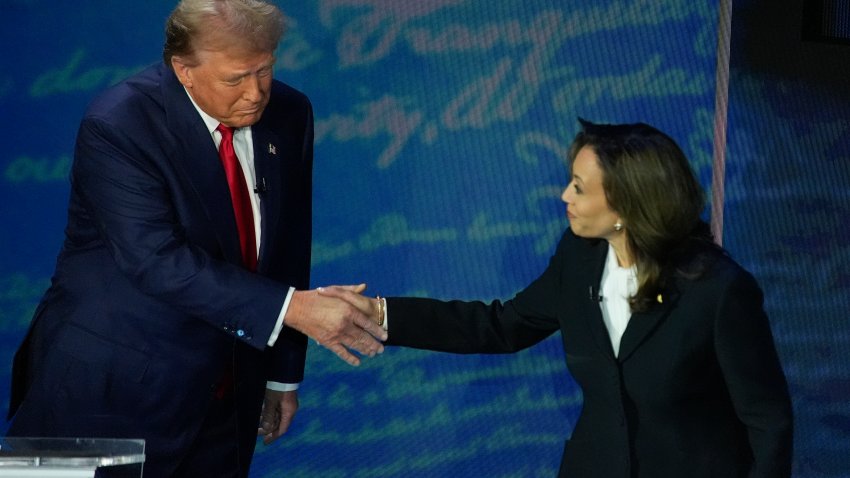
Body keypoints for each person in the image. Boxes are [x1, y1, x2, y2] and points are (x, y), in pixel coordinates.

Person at [5, 1, 386, 476]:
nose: (255, 93)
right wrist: (295, 309)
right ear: (183, 69)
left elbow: (286, 246)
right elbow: (156, 260)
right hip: (110, 392)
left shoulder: (290, 112)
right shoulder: (120, 123)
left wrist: (281, 377)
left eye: (264, 70)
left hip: (227, 398)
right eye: (235, 78)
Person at [321, 119, 794, 477]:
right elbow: (501, 326)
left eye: (580, 187)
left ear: (628, 206)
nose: (564, 195)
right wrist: (381, 312)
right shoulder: (579, 257)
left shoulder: (718, 290)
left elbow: (768, 423)